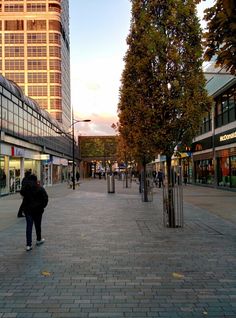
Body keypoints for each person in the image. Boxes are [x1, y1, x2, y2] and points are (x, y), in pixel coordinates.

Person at [20, 174, 48, 251]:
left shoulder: (26, 188)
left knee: (29, 227)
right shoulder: (39, 188)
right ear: (36, 180)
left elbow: (21, 193)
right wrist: (42, 206)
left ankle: (28, 245)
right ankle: (38, 240)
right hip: (38, 210)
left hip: (28, 211)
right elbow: (45, 198)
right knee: (38, 225)